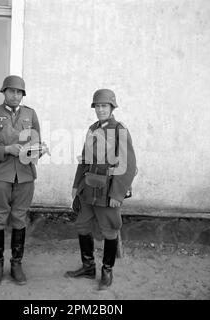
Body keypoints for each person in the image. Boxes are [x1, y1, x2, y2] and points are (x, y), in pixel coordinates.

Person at [65, 89, 137, 290]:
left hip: (108, 190)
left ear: (112, 107)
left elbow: (128, 166)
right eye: (97, 106)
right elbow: (84, 160)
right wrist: (75, 184)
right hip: (88, 188)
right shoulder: (92, 129)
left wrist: (117, 194)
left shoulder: (120, 130)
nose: (100, 109)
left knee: (110, 230)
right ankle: (88, 267)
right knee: (82, 225)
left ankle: (107, 270)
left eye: (104, 106)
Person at [0, 75, 41, 287]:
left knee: (20, 218)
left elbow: (36, 142)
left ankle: (16, 264)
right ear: (4, 92)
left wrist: (36, 150)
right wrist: (6, 149)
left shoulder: (30, 114)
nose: (15, 95)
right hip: (0, 175)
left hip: (24, 175)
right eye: (11, 91)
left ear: (23, 95)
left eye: (19, 92)